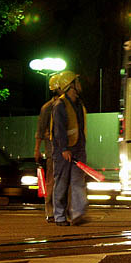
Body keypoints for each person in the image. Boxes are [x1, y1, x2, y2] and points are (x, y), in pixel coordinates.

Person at [51, 71, 88, 226]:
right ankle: (59, 216)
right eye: (77, 82)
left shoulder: (78, 103)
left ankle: (77, 214)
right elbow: (59, 130)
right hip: (63, 151)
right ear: (70, 85)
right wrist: (64, 149)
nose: (79, 85)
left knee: (78, 181)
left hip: (78, 148)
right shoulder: (60, 105)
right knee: (61, 182)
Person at [34, 72, 61, 223]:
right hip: (52, 151)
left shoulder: (65, 106)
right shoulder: (47, 108)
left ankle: (59, 211)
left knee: (62, 182)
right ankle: (50, 211)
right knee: (51, 181)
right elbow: (40, 130)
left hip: (62, 151)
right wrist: (37, 149)